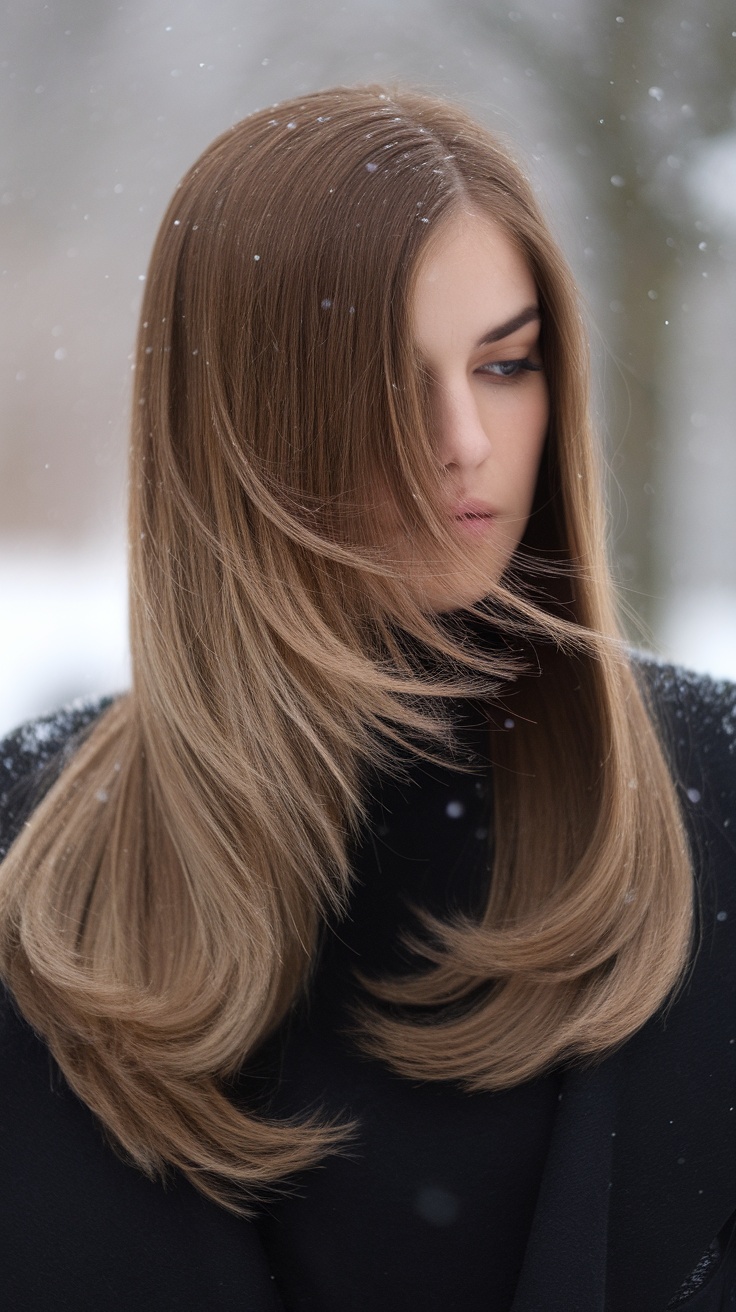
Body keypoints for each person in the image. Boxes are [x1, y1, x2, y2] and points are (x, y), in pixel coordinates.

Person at [0, 84, 734, 1312]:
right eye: (392, 382)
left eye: (506, 363)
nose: (466, 439)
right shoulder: (32, 860)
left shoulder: (713, 794)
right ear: (237, 416)